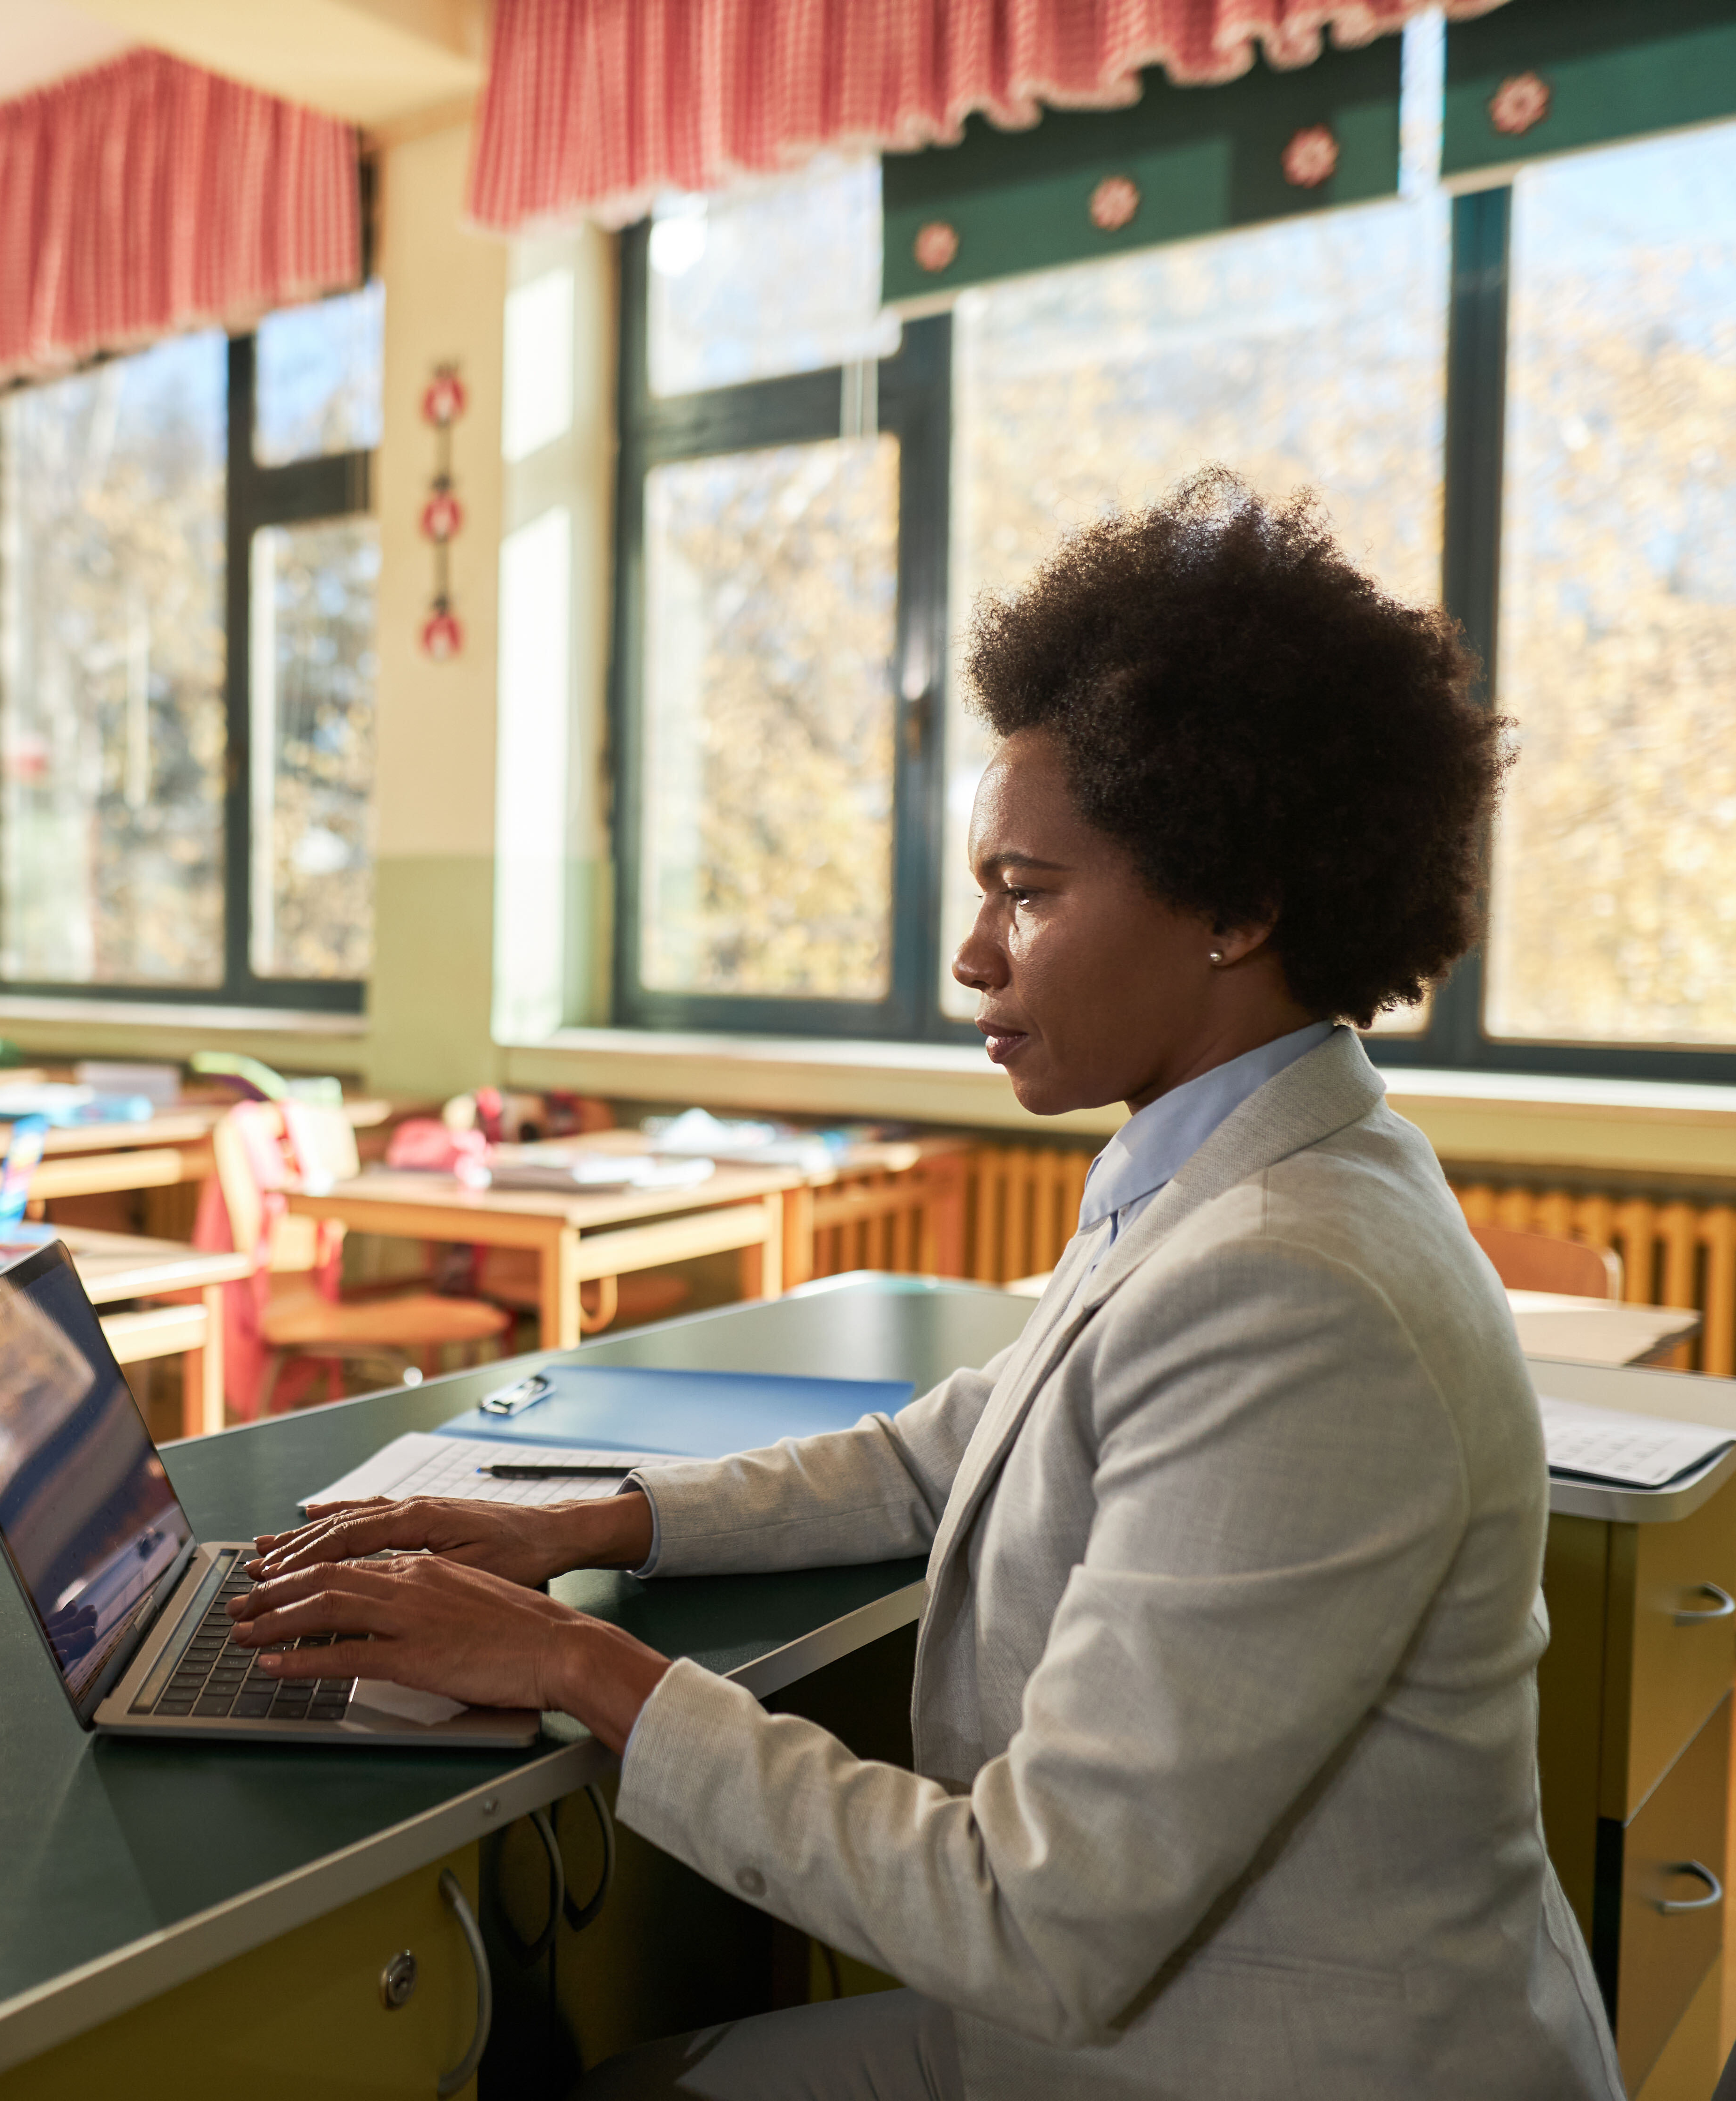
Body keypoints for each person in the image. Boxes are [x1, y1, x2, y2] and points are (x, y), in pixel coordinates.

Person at [226, 472, 1623, 2099]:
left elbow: (1038, 1918)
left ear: (1243, 907)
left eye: (1026, 893)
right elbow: (933, 1453)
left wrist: (576, 1663)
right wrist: (582, 1525)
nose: (973, 955)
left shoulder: (1294, 1287)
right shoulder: (1245, 1170)